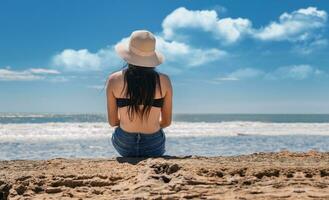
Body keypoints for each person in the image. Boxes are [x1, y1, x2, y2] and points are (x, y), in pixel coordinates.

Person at [106, 30, 173, 157]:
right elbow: (166, 122)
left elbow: (113, 122)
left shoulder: (113, 80)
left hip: (124, 143)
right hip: (153, 145)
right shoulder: (164, 81)